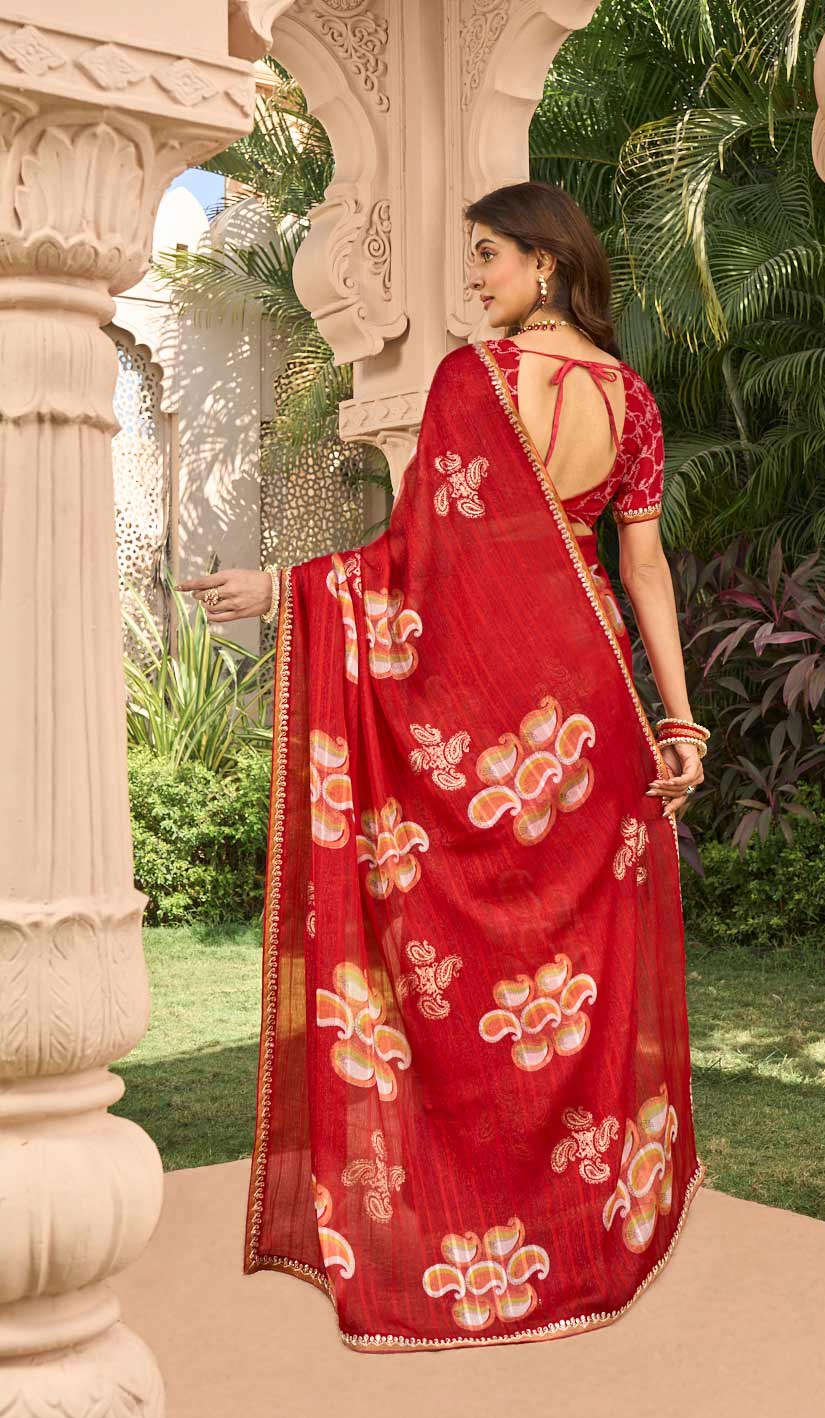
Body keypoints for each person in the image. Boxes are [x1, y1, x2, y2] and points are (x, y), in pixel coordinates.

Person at [178, 180, 709, 1352]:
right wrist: (679, 723)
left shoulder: (479, 382)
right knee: (572, 991)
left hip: (496, 714)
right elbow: (644, 573)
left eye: (488, 258)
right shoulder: (632, 400)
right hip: (597, 720)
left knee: (469, 981)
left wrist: (284, 590)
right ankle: (590, 1237)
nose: (475, 282)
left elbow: (421, 567)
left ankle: (474, 1241)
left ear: (548, 266)